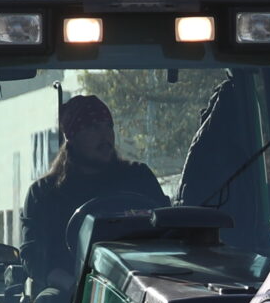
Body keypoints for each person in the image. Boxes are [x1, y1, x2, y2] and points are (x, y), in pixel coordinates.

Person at [19, 94, 166, 291]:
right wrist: (73, 287)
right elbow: (33, 256)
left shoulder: (139, 178)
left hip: (143, 284)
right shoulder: (44, 193)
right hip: (71, 291)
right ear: (72, 137)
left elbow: (169, 228)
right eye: (93, 127)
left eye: (108, 126)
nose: (105, 136)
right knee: (50, 301)